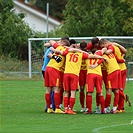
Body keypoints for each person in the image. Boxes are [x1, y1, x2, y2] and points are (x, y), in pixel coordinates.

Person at [55, 47, 107, 114]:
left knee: (67, 91)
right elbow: (98, 55)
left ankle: (67, 109)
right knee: (99, 92)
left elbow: (61, 52)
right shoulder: (82, 54)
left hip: (67, 73)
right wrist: (102, 58)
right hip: (80, 74)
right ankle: (103, 109)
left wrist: (62, 48)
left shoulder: (68, 52)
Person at [99, 39, 131, 112]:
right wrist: (123, 60)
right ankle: (120, 107)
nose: (103, 48)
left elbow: (107, 52)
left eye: (103, 46)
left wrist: (103, 51)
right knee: (119, 89)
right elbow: (124, 52)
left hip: (114, 70)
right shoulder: (116, 47)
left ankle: (107, 108)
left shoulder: (110, 48)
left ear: (105, 43)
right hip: (121, 69)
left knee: (110, 89)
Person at [44, 39, 70, 114]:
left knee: (48, 89)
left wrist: (55, 50)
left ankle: (49, 108)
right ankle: (57, 108)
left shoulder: (58, 47)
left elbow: (51, 41)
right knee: (56, 88)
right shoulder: (66, 50)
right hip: (55, 69)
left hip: (48, 68)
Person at [84, 48, 107, 114]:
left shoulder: (87, 55)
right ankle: (103, 110)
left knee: (89, 92)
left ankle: (89, 110)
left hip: (90, 74)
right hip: (99, 75)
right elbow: (103, 52)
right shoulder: (99, 56)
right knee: (100, 92)